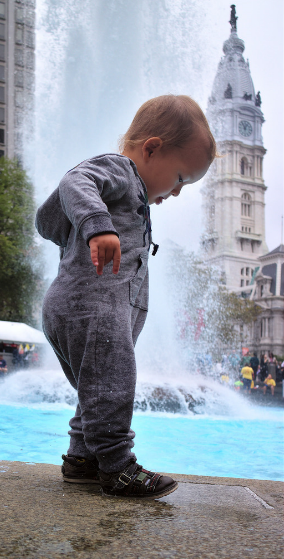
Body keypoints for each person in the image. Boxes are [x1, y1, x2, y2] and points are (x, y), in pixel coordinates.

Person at [35, 95, 216, 499]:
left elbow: (49, 219)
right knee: (112, 386)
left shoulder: (130, 192)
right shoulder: (119, 170)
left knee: (96, 388)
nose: (178, 192)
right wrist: (97, 226)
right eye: (182, 178)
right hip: (90, 308)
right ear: (152, 148)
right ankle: (117, 467)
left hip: (83, 309)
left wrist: (78, 228)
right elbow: (74, 182)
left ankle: (82, 459)